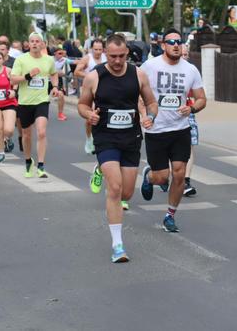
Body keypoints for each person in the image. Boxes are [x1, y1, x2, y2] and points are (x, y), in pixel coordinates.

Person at [78, 33, 157, 263]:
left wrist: (150, 116)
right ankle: (118, 245)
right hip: (105, 137)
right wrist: (89, 114)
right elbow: (82, 105)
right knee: (114, 187)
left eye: (122, 56)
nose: (117, 61)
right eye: (112, 56)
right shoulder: (94, 77)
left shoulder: (138, 75)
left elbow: (151, 102)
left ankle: (100, 169)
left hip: (131, 137)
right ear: (105, 54)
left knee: (127, 193)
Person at [139, 31, 206, 233]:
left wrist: (192, 108)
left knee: (179, 174)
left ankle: (170, 215)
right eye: (172, 42)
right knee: (161, 177)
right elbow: (137, 94)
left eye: (179, 42)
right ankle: (149, 176)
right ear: (163, 45)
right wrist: (144, 115)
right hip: (156, 130)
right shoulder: (149, 67)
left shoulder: (191, 70)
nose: (176, 45)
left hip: (180, 129)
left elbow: (202, 98)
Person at [10, 32, 59, 178]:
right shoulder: (21, 60)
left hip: (42, 101)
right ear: (28, 44)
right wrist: (28, 76)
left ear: (42, 44)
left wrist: (55, 87)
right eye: (32, 41)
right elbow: (13, 79)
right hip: (25, 102)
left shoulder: (49, 60)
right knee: (26, 134)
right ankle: (28, 160)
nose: (35, 43)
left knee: (42, 132)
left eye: (38, 41)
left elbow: (54, 73)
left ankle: (41, 165)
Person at [75, 39, 107, 154]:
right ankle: (89, 139)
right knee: (90, 118)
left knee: (101, 116)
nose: (98, 52)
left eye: (100, 49)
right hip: (89, 91)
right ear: (91, 49)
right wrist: (89, 75)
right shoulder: (87, 58)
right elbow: (77, 72)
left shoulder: (106, 58)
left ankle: (101, 140)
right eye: (95, 49)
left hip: (103, 90)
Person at [181, 44, 198, 196]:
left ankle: (185, 180)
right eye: (182, 54)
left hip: (188, 113)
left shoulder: (191, 70)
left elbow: (199, 95)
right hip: (167, 115)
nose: (184, 57)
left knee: (190, 146)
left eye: (186, 55)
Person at [53, 49, 74, 121]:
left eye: (62, 54)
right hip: (47, 80)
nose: (61, 55)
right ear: (55, 53)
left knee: (61, 95)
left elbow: (63, 73)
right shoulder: (49, 60)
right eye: (59, 53)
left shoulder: (65, 60)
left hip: (58, 80)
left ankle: (60, 114)